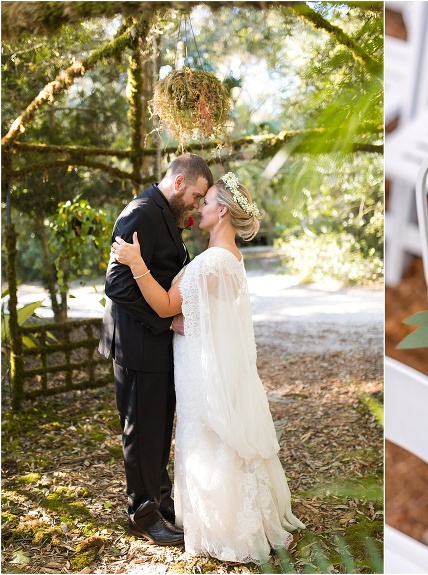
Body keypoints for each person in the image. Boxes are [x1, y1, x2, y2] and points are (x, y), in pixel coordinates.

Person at [111, 172, 305, 562]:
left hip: (200, 368)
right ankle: (226, 517)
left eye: (207, 201)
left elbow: (167, 306)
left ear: (223, 212)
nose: (199, 207)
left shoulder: (212, 262)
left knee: (206, 437)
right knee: (213, 438)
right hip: (208, 364)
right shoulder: (229, 258)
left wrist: (135, 262)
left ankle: (223, 524)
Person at [99, 153, 214, 546]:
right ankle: (142, 515)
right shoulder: (141, 213)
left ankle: (161, 502)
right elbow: (116, 286)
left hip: (156, 346)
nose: (198, 206)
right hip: (136, 346)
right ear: (180, 182)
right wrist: (167, 321)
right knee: (142, 431)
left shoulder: (165, 213)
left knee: (159, 429)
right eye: (198, 196)